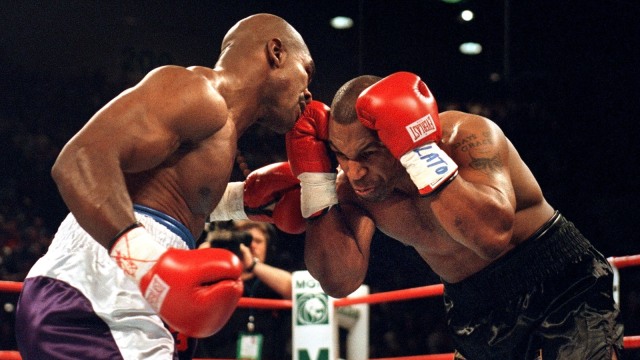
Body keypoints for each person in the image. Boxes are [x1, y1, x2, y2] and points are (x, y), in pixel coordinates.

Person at [15, 13, 313, 359]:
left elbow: (159, 198)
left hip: (131, 294)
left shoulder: (221, 130)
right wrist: (150, 264)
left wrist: (240, 201)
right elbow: (79, 159)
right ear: (276, 52)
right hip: (100, 296)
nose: (309, 92)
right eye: (308, 71)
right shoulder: (196, 91)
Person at [286, 72, 623, 359]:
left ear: (395, 134)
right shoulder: (356, 189)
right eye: (341, 156)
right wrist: (317, 184)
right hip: (473, 307)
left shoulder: (465, 137)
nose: (354, 171)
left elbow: (490, 238)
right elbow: (339, 281)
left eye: (368, 154)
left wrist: (417, 152)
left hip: (557, 282)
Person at [195, 220, 293, 359]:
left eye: (258, 241)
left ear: (268, 247)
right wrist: (211, 247)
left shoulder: (273, 279)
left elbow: (292, 287)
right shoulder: (217, 277)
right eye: (246, 241)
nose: (252, 246)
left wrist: (252, 265)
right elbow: (190, 279)